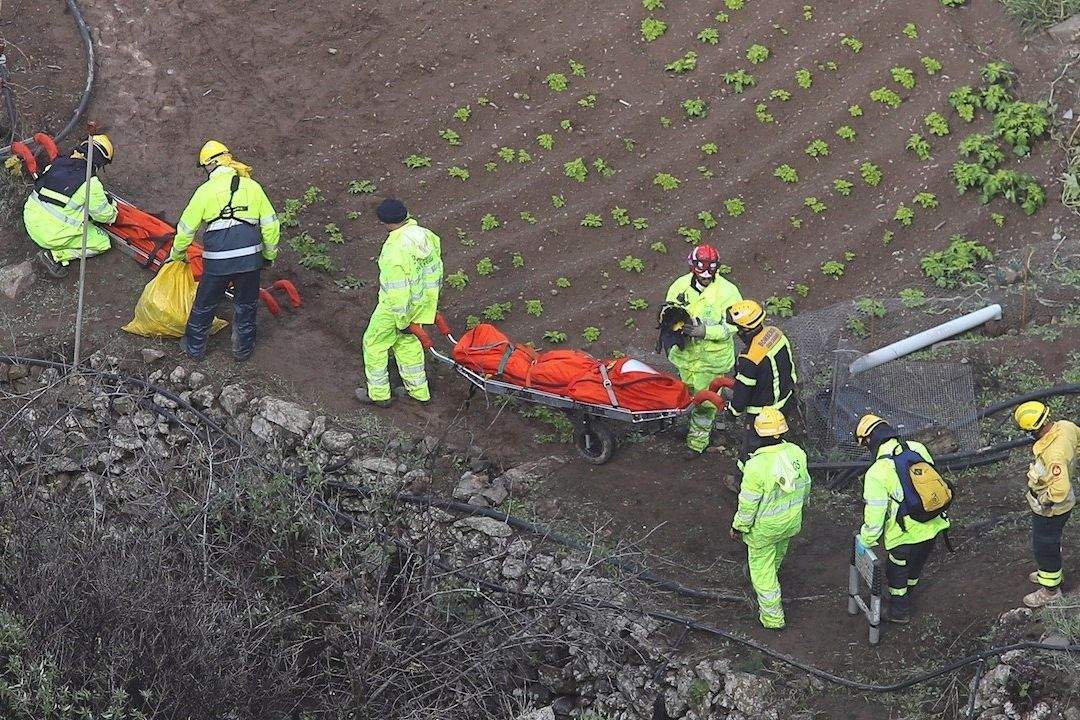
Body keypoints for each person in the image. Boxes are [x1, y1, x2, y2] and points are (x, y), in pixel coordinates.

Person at [169, 140, 280, 362]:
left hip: (218, 259)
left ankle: (194, 349)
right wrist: (268, 256)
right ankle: (242, 351)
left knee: (205, 304)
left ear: (209, 166)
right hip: (250, 256)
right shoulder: (253, 187)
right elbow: (271, 224)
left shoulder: (204, 191)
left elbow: (185, 230)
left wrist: (177, 254)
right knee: (246, 304)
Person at [855, 414, 950, 624]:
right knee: (916, 567)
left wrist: (866, 541)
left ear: (869, 440)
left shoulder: (877, 472)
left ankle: (899, 611)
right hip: (933, 524)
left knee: (896, 574)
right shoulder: (917, 448)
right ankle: (909, 594)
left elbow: (875, 516)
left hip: (904, 535)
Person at [356, 199, 443, 407]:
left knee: (374, 344)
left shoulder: (393, 248)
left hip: (395, 309)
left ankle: (379, 394)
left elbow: (398, 290)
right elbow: (436, 270)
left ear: (385, 223)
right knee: (409, 345)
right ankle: (419, 393)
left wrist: (402, 320)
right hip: (421, 303)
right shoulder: (427, 236)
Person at [730, 407, 810, 630]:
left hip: (764, 530)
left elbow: (747, 505)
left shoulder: (756, 466)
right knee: (777, 554)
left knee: (762, 572)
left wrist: (738, 527)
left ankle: (773, 618)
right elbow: (806, 487)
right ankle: (769, 578)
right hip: (791, 522)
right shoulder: (796, 453)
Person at [663, 244, 742, 457]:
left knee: (706, 402)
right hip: (686, 357)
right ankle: (690, 427)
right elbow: (668, 310)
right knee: (687, 395)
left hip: (711, 361)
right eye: (702, 274)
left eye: (710, 274)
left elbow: (734, 326)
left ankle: (696, 444)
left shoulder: (728, 292)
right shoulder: (679, 286)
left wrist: (705, 331)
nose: (706, 277)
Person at [22, 134, 118, 279]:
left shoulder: (56, 164)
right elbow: (104, 216)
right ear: (100, 162)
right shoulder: (90, 183)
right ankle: (54, 256)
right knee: (103, 242)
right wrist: (113, 211)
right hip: (49, 236)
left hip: (30, 221)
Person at [1013, 401, 1077, 608]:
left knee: (1045, 546)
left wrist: (1044, 500)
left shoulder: (1053, 453)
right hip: (1059, 503)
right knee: (1049, 542)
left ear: (1034, 429)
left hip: (1052, 508)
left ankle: (1050, 590)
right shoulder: (1066, 427)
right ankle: (1048, 573)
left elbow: (1059, 490)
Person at [726, 300, 797, 458]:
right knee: (777, 444)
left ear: (745, 328)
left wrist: (732, 411)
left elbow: (743, 392)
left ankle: (743, 478)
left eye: (738, 328)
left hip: (762, 414)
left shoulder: (749, 358)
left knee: (754, 451)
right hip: (786, 400)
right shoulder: (775, 333)